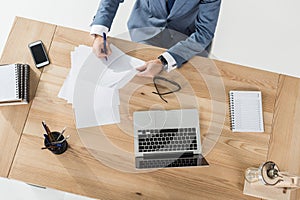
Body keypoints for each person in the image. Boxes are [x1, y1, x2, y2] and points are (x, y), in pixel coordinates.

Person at [91, 0, 221, 78]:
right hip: (145, 30)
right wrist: (99, 34)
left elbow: (204, 33)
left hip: (188, 44)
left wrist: (164, 61)